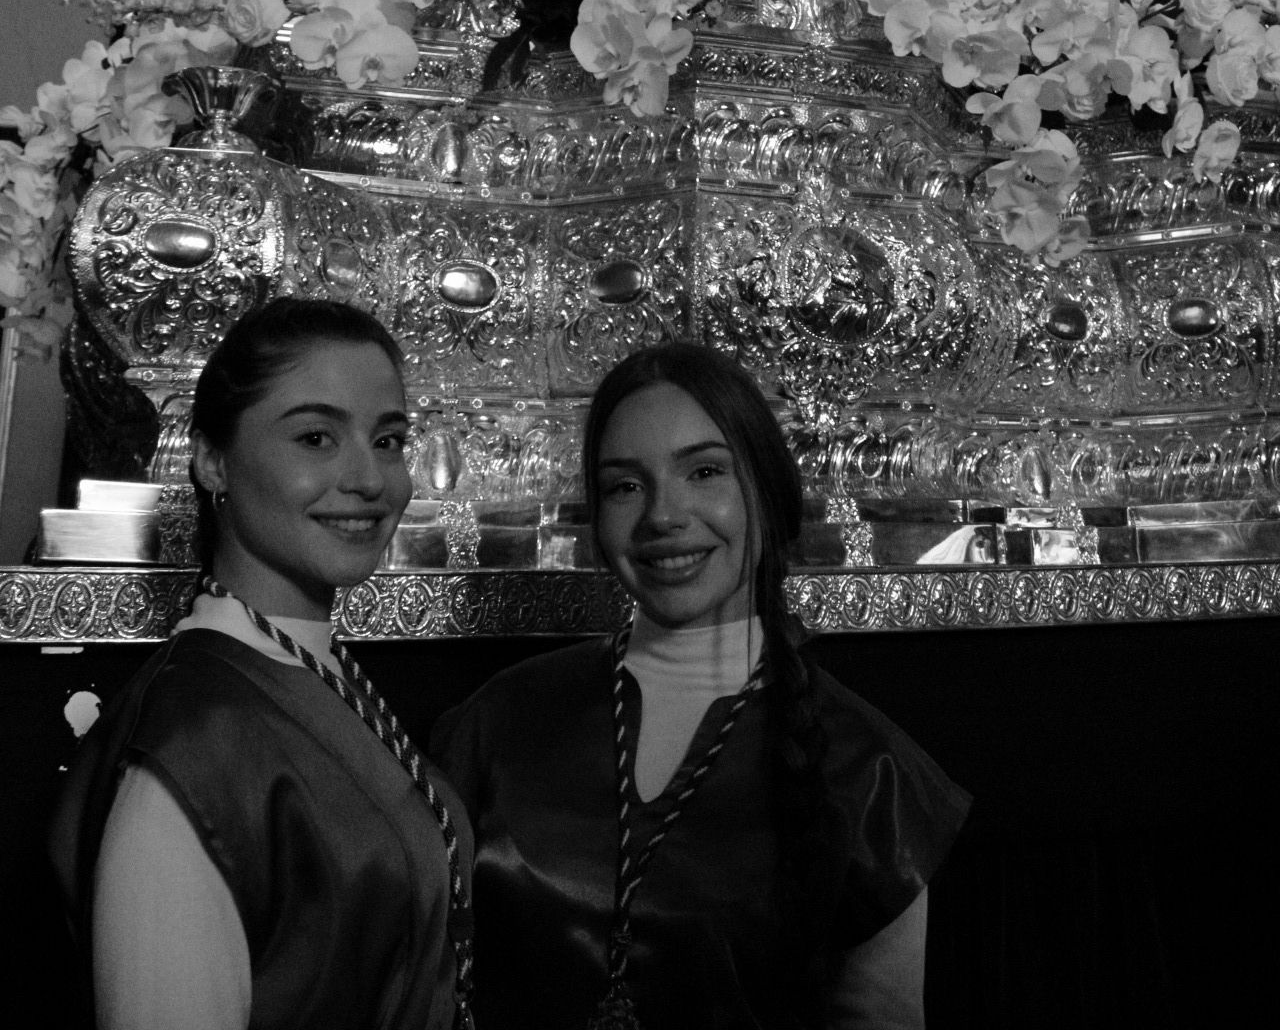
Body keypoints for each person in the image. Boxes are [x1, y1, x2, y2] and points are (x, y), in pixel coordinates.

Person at [433, 341, 968, 1029]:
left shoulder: (870, 771)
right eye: (625, 486)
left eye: (705, 471)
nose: (663, 514)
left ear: (767, 493)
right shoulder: (498, 720)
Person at [49, 296, 474, 1030]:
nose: (371, 479)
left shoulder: (308, 669)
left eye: (388, 439)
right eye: (315, 437)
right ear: (213, 460)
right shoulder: (196, 744)